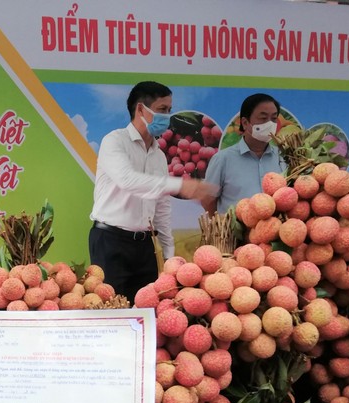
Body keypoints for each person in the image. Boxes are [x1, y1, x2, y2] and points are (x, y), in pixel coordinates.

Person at [89, 81, 214, 305]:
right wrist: (181, 186)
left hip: (145, 245)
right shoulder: (114, 141)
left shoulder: (158, 154)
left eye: (169, 110)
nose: (167, 116)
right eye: (162, 110)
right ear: (140, 110)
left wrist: (168, 254)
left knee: (147, 309)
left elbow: (162, 206)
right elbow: (127, 180)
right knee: (113, 309)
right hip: (111, 241)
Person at [201, 93, 284, 215]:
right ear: (245, 123)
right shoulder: (223, 159)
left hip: (275, 231)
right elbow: (208, 200)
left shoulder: (283, 157)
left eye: (273, 119)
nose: (269, 124)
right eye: (263, 118)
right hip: (235, 233)